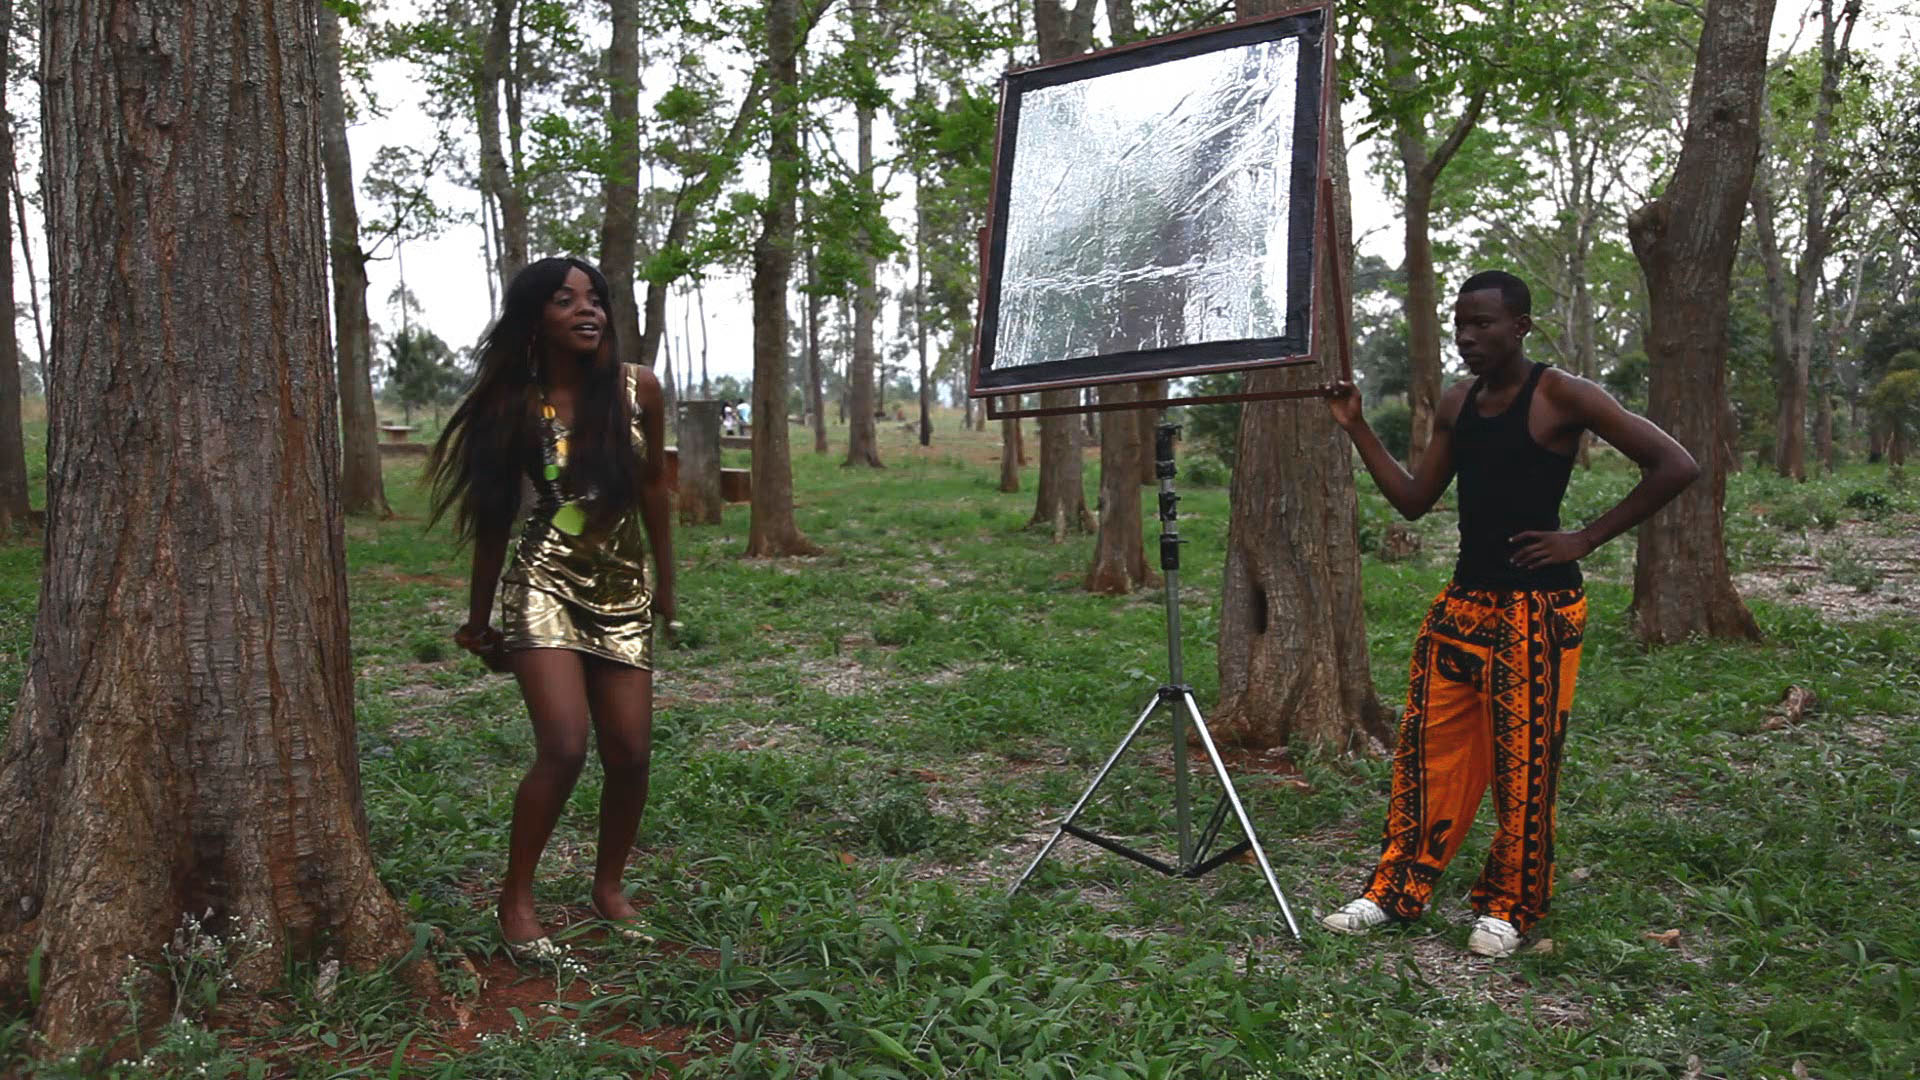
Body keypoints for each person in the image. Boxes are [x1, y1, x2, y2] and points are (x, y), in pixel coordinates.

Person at [1319, 270, 1699, 957]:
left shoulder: (1562, 394)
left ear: (1520, 326)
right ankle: (1397, 889)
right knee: (1427, 752)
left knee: (1524, 763)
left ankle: (1511, 906)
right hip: (1464, 602)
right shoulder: (1458, 402)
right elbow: (1413, 500)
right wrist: (1356, 426)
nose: (1467, 337)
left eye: (1483, 324)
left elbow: (1674, 464)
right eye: (1460, 325)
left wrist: (1584, 538)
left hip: (1539, 609)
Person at [426, 257, 676, 958]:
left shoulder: (638, 388)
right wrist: (480, 619)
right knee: (565, 746)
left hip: (622, 587)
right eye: (565, 300)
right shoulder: (515, 403)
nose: (587, 309)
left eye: (594, 298)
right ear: (535, 318)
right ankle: (517, 899)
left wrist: (667, 582)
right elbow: (494, 518)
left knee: (631, 753)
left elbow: (654, 487)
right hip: (543, 582)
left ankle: (608, 889)